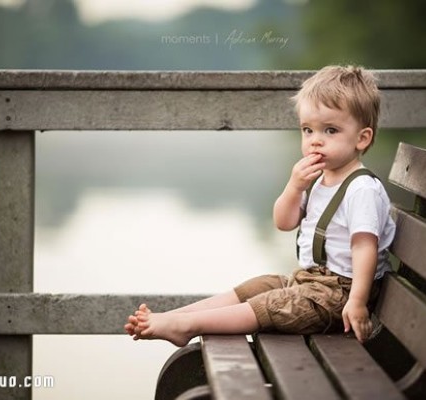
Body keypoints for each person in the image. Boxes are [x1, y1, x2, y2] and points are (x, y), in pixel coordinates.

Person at [124, 65, 396, 347]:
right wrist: (294, 187)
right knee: (259, 286)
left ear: (362, 138)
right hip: (313, 282)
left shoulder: (361, 189)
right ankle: (175, 316)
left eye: (330, 130)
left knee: (274, 302)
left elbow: (365, 248)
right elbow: (283, 222)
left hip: (342, 294)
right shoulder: (318, 180)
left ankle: (187, 326)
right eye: (307, 130)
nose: (315, 140)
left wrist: (357, 302)